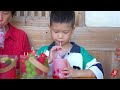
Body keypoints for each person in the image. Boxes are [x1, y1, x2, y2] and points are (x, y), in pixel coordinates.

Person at [37, 11, 104, 79]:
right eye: (56, 31)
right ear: (50, 27)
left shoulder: (80, 53)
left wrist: (76, 73)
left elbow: (99, 71)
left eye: (65, 32)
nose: (60, 36)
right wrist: (46, 61)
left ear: (72, 30)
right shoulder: (44, 52)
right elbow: (29, 72)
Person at [0, 11, 31, 76]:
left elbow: (28, 71)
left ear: (11, 14)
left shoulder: (21, 36)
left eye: (5, 12)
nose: (0, 18)